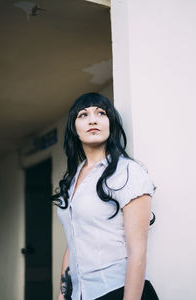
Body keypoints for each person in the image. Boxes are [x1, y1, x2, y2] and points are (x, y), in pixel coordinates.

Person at [52, 92, 159, 300]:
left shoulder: (128, 172)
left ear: (111, 123)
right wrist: (62, 295)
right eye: (83, 115)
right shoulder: (72, 179)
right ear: (74, 129)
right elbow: (74, 241)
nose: (92, 119)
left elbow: (137, 251)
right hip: (81, 294)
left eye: (101, 113)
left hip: (118, 291)